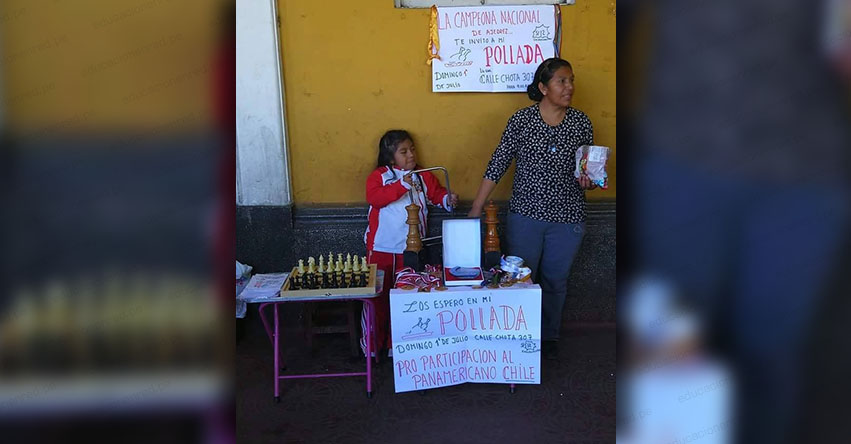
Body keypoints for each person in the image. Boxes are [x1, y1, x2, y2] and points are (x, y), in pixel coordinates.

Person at [468, 57, 598, 360]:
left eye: (571, 80)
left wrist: (588, 181)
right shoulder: (522, 121)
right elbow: (498, 162)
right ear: (543, 87)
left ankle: (548, 338)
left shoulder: (581, 122)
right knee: (520, 279)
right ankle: (519, 337)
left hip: (568, 218)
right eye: (561, 81)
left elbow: (587, 172)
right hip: (526, 215)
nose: (569, 87)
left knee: (555, 281)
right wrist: (476, 207)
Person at [362, 129, 459, 357]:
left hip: (412, 251)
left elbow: (436, 195)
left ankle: (397, 346)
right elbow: (375, 198)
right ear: (390, 157)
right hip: (382, 249)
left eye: (412, 149)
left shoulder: (423, 175)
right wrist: (402, 185)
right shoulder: (380, 176)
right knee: (378, 300)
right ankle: (372, 346)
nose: (411, 155)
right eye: (403, 152)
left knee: (407, 299)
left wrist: (448, 199)